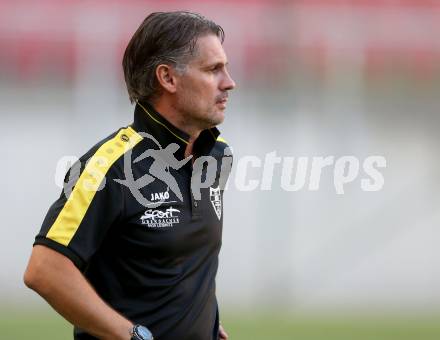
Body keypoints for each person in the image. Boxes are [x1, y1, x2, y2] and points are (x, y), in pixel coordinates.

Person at [23, 11, 236, 340]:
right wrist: (129, 334)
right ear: (168, 78)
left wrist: (203, 317)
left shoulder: (217, 155)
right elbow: (45, 270)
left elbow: (180, 258)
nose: (229, 82)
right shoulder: (111, 167)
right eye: (213, 70)